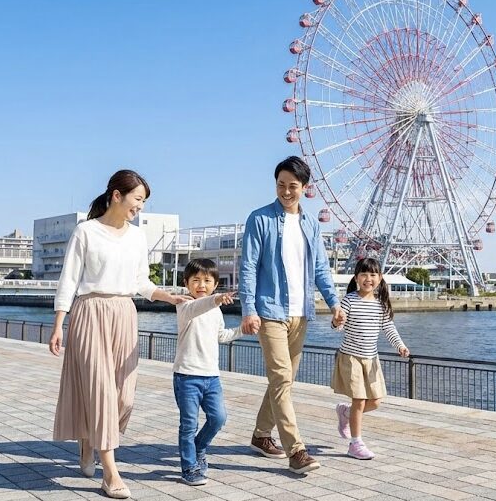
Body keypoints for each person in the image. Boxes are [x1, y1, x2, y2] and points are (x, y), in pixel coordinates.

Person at [48, 169, 190, 500]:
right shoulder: (86, 232)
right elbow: (69, 280)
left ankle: (89, 439)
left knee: (124, 396)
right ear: (117, 195)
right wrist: (58, 324)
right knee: (100, 393)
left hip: (125, 314)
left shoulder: (137, 237)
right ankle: (110, 473)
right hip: (90, 312)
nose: (140, 207)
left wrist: (170, 297)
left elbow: (142, 282)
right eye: (137, 199)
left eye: (143, 201)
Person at [239, 155, 341, 474]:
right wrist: (249, 309)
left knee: (284, 381)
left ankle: (260, 435)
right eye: (281, 185)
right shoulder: (260, 219)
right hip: (270, 311)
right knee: (282, 378)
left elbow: (322, 269)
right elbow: (248, 268)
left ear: (305, 188)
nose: (286, 191)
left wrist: (335, 303)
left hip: (301, 313)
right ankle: (296, 450)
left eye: (292, 186)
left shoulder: (311, 224)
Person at [331, 257, 409, 460]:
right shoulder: (349, 300)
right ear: (356, 278)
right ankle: (355, 443)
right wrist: (337, 321)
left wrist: (399, 345)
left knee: (375, 401)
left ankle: (345, 414)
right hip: (351, 357)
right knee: (360, 399)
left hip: (371, 359)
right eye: (364, 274)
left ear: (380, 278)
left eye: (373, 274)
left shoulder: (381, 304)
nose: (368, 278)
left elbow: (388, 327)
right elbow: (338, 324)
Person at [172, 258, 240, 486]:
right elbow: (198, 307)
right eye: (196, 280)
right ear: (186, 283)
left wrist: (243, 329)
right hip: (187, 376)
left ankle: (199, 447)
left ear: (215, 283)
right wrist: (216, 299)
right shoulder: (183, 305)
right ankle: (189, 467)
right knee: (188, 424)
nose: (201, 284)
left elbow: (221, 336)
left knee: (218, 418)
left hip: (212, 377)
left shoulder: (216, 310)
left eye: (207, 280)